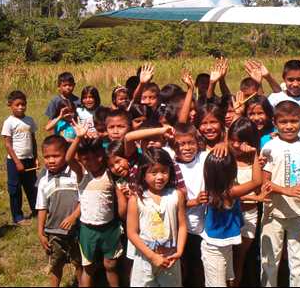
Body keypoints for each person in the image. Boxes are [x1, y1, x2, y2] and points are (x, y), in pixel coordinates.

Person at [259, 100, 300, 287]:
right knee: (269, 262)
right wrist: (287, 191)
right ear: (275, 122)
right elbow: (265, 184)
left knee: (299, 265)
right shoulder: (270, 147)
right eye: (283, 122)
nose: (289, 126)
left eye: (293, 121)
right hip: (273, 214)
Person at [66, 124, 127, 287]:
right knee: (89, 267)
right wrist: (78, 137)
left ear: (103, 155)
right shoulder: (82, 173)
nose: (92, 162)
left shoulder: (109, 172)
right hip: (88, 229)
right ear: (81, 159)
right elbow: (68, 158)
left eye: (97, 157)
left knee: (111, 265)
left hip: (110, 227)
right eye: (86, 158)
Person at [200, 151, 271, 287]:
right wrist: (254, 154)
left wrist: (256, 198)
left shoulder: (217, 190)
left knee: (227, 281)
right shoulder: (229, 192)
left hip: (222, 247)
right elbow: (257, 181)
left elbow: (240, 197)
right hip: (215, 251)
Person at [127, 148, 187, 287]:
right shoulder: (136, 199)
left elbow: (183, 225)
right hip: (145, 258)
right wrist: (152, 257)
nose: (160, 177)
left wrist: (179, 251)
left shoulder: (176, 195)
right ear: (143, 173)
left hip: (170, 257)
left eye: (164, 171)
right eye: (153, 172)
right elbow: (131, 232)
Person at [36, 135, 82, 287]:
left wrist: (74, 216)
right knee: (55, 264)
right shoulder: (44, 180)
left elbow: (85, 199)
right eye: (47, 157)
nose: (51, 160)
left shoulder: (75, 174)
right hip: (54, 231)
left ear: (66, 154)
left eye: (56, 156)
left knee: (79, 263)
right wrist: (41, 232)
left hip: (77, 229)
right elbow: (42, 207)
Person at [226, 117, 266, 287]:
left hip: (249, 215)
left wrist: (255, 156)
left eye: (241, 141)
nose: (236, 145)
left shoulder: (257, 160)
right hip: (227, 216)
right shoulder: (226, 159)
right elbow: (228, 193)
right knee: (226, 259)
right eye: (232, 140)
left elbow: (260, 188)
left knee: (239, 260)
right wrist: (255, 198)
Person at [171, 123, 208, 287]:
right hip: (179, 228)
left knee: (199, 266)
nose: (186, 148)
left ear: (197, 143)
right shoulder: (171, 165)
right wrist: (195, 202)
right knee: (182, 267)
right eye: (181, 144)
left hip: (202, 227)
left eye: (190, 143)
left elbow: (224, 149)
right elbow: (171, 200)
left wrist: (222, 143)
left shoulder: (203, 157)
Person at [1, 90, 38, 226]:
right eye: (17, 105)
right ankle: (18, 216)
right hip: (15, 161)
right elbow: (8, 144)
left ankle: (36, 210)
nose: (21, 107)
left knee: (32, 186)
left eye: (23, 104)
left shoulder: (29, 121)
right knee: (15, 189)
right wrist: (17, 162)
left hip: (29, 159)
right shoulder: (9, 122)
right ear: (10, 105)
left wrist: (35, 157)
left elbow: (33, 139)